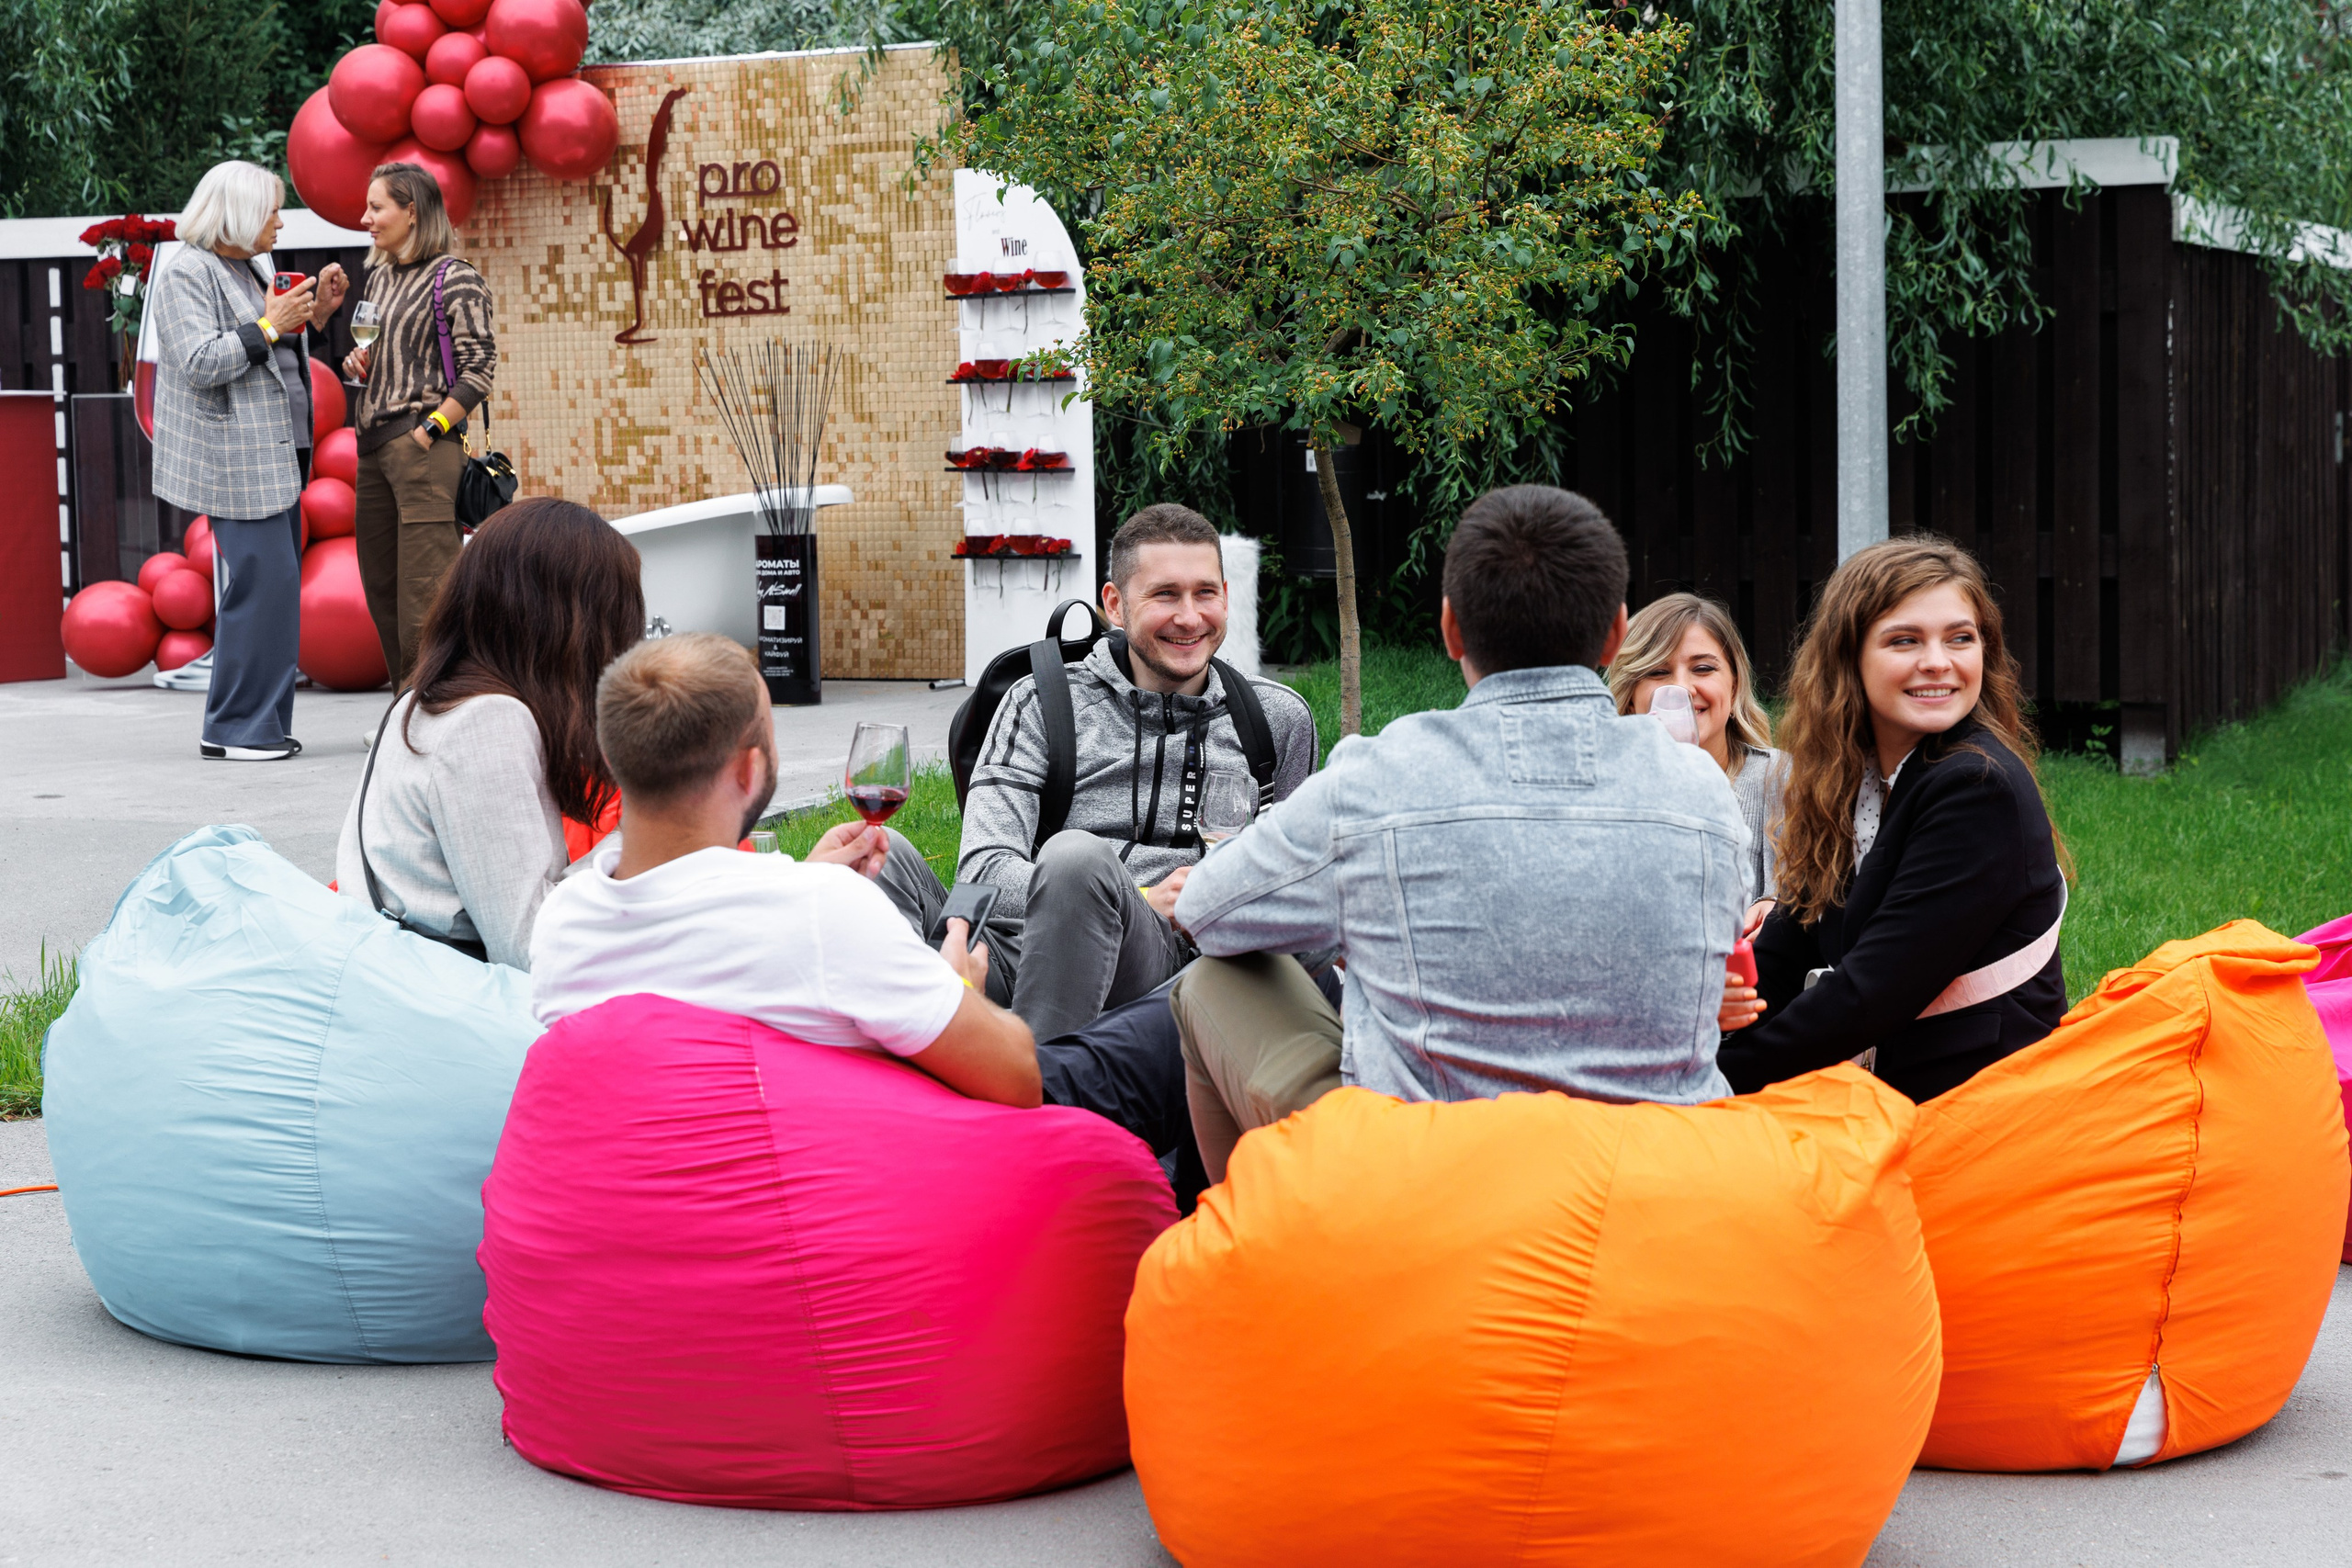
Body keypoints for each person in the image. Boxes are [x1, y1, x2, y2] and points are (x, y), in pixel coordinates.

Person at [1169, 485, 1751, 1180]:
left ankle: (1272, 1251)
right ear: (1618, 634)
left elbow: (1207, 912)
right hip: (1663, 1174)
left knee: (1207, 982)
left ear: (1449, 630)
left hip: (1438, 1188)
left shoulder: (1379, 778)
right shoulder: (1704, 792)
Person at [529, 633, 1040, 1106]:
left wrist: (803, 876)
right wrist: (959, 988)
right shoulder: (824, 914)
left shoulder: (562, 922)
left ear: (613, 758)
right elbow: (1018, 1077)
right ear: (749, 769)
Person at [876, 503, 1317, 1042]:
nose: (1190, 616)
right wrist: (1143, 892)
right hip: (1026, 951)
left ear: (1226, 595)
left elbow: (1299, 888)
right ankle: (883, 1078)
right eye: (1164, 594)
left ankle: (1038, 1087)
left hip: (1169, 974)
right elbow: (982, 873)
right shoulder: (1041, 701)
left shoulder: (1275, 721)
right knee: (878, 854)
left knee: (1075, 857)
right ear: (1115, 604)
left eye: (1205, 592)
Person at [1714, 535, 2067, 1103]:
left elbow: (1869, 995)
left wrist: (1711, 1081)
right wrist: (1697, 1033)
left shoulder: (1976, 786)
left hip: (1979, 1104)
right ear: (1849, 657)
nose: (1938, 661)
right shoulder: (1855, 773)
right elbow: (1794, 939)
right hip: (1894, 1089)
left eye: (1961, 638)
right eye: (1905, 640)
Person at [334, 499, 643, 969]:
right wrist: (648, 831)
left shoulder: (426, 699)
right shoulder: (487, 721)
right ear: (573, 625)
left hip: (405, 985)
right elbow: (528, 948)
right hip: (455, 1012)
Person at [149, 159, 349, 761]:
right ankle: (239, 728)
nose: (280, 223)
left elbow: (270, 342)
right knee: (264, 587)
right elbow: (201, 363)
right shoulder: (187, 271)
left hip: (275, 453)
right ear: (236, 214)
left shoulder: (245, 264)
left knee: (272, 588)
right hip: (235, 457)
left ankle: (248, 725)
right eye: (271, 212)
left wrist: (315, 318)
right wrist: (269, 323)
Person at [344, 162, 497, 688]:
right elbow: (382, 356)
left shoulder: (455, 276)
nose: (365, 218)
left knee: (427, 591)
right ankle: (405, 701)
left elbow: (479, 369)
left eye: (376, 207)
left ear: (412, 212)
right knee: (382, 588)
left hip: (422, 449)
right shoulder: (380, 276)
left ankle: (435, 704)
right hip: (371, 448)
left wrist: (430, 430)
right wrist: (356, 364)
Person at [1608, 592, 1788, 911]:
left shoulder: (1784, 779)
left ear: (1733, 688)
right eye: (1657, 672)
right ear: (1631, 697)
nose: (1682, 689)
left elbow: (1814, 905)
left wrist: (1776, 913)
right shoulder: (1603, 793)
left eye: (1703, 669)